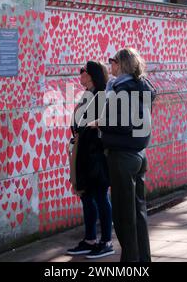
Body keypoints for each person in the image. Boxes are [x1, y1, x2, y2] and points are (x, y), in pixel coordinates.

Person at [97, 48, 157, 262]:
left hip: (122, 156)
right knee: (138, 214)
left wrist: (100, 126)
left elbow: (120, 124)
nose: (109, 65)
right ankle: (143, 259)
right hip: (139, 154)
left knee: (123, 217)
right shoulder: (141, 86)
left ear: (121, 65)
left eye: (112, 61)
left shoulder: (121, 89)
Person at [66, 61, 115, 259]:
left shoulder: (101, 96)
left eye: (83, 71)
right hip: (83, 152)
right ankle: (90, 239)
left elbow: (100, 126)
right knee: (86, 196)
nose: (80, 74)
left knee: (100, 196)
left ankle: (106, 242)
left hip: (95, 154)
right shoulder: (88, 95)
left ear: (92, 74)